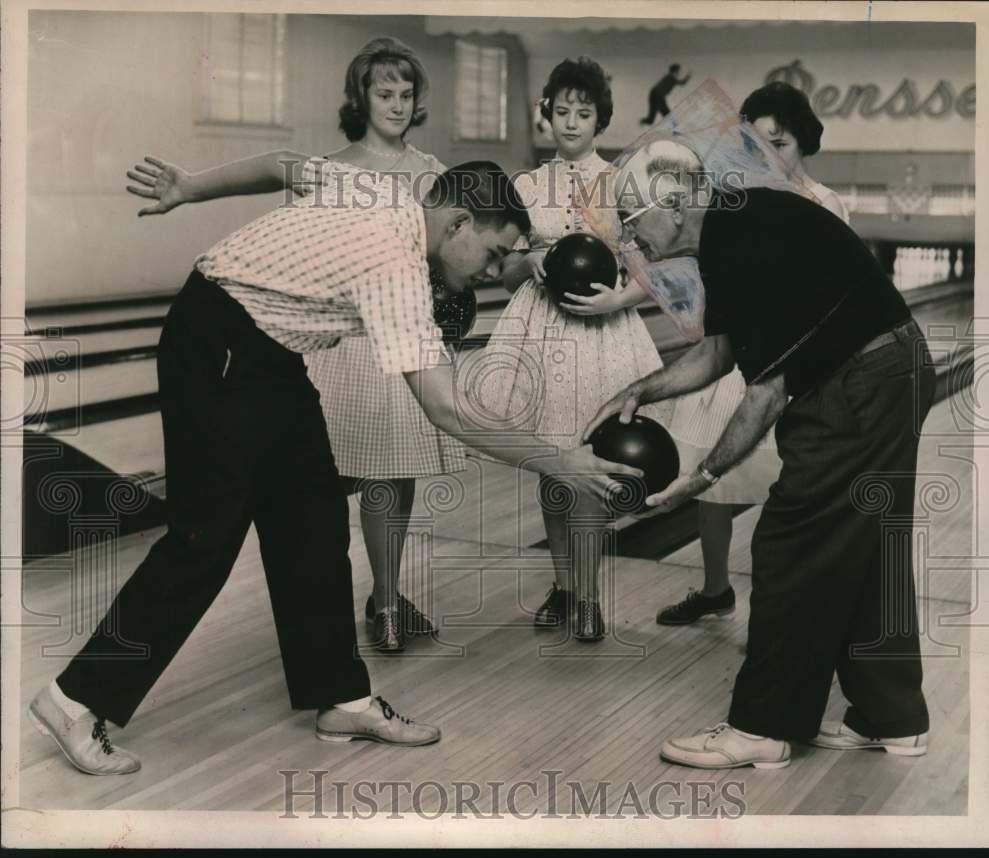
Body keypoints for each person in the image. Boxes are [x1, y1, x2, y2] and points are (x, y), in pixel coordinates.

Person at [28, 161, 640, 776]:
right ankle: (74, 699)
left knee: (314, 524)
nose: (490, 272)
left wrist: (191, 188)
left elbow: (280, 166)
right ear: (457, 223)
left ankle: (340, 696)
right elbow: (447, 408)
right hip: (218, 346)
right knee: (203, 541)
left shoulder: (380, 187)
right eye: (492, 252)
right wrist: (558, 460)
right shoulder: (395, 269)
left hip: (268, 353)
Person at [587, 138, 935, 769]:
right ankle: (892, 716)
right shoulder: (730, 229)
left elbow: (766, 391)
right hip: (887, 369)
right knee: (863, 547)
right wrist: (641, 388)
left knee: (791, 543)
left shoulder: (745, 241)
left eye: (635, 228)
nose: (635, 247)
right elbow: (718, 353)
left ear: (671, 204)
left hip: (859, 384)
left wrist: (702, 476)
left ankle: (763, 728)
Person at [126, 37, 463, 653]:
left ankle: (386, 600)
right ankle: (334, 613)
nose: (395, 103)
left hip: (399, 335)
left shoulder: (432, 174)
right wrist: (193, 186)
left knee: (392, 475)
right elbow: (275, 174)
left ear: (417, 101)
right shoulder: (334, 165)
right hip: (340, 344)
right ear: (359, 97)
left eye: (405, 93)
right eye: (382, 92)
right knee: (322, 485)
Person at [480, 57, 672, 642]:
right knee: (552, 465)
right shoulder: (527, 186)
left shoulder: (620, 183)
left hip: (602, 333)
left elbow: (660, 266)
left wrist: (618, 302)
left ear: (600, 120)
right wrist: (529, 259)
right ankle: (564, 588)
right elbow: (506, 272)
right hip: (541, 331)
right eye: (561, 111)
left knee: (589, 465)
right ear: (547, 116)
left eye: (583, 112)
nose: (570, 122)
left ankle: (589, 597)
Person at [657, 81, 850, 626]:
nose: (770, 156)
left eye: (781, 144)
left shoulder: (825, 203)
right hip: (737, 357)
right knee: (708, 476)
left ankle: (784, 603)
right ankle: (716, 589)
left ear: (804, 143)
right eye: (758, 144)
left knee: (786, 485)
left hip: (793, 366)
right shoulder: (737, 200)